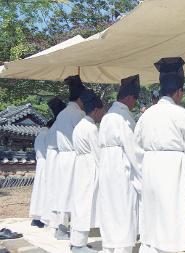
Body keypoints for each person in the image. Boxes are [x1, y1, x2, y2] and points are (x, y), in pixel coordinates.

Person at [134, 57, 185, 253]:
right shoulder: (182, 114)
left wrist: (141, 173)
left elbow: (136, 148)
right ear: (179, 92)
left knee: (152, 215)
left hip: (149, 167)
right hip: (172, 169)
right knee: (171, 217)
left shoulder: (146, 115)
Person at [98, 75, 141, 253]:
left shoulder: (107, 116)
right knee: (124, 208)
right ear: (129, 98)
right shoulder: (124, 117)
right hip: (121, 167)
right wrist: (141, 175)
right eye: (135, 101)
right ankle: (122, 248)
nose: (134, 105)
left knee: (109, 207)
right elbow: (132, 149)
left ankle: (109, 247)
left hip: (107, 166)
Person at [70, 90, 105, 253]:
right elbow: (98, 153)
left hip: (79, 165)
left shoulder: (79, 126)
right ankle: (79, 244)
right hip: (89, 167)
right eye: (102, 110)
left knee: (79, 203)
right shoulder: (91, 128)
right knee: (85, 204)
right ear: (96, 110)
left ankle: (77, 241)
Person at [55, 75, 86, 238]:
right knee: (75, 192)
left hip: (63, 157)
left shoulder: (62, 114)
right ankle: (70, 229)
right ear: (81, 98)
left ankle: (61, 226)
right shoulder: (78, 115)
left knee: (64, 191)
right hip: (74, 156)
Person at [29, 99, 65, 228]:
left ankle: (38, 217)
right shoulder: (47, 134)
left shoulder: (41, 133)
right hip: (46, 163)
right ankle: (41, 217)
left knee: (40, 191)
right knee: (44, 191)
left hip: (42, 163)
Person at [40, 98, 66, 235]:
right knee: (58, 191)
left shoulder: (55, 125)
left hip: (52, 158)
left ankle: (51, 220)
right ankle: (57, 223)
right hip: (56, 158)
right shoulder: (59, 125)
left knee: (52, 190)